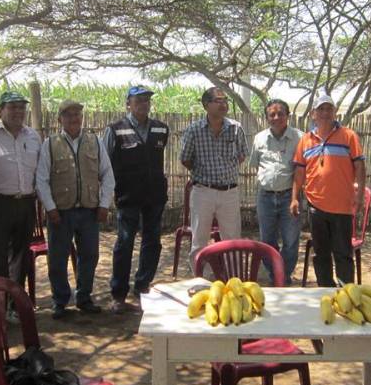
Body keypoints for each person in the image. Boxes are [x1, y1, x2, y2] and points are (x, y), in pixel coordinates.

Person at [36, 99, 115, 318]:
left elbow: (107, 175)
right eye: (69, 115)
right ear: (60, 119)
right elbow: (41, 179)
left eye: (77, 115)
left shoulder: (95, 142)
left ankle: (84, 297)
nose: (74, 119)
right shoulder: (50, 144)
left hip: (89, 210)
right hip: (60, 212)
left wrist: (103, 204)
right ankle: (60, 300)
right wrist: (50, 208)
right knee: (58, 258)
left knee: (89, 255)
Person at [103, 86, 169, 313]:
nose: (143, 104)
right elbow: (107, 165)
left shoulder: (161, 128)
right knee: (124, 244)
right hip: (128, 197)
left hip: (154, 196)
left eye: (147, 100)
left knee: (153, 243)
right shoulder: (115, 130)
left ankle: (142, 286)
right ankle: (118, 294)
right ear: (128, 104)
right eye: (138, 100)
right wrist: (109, 195)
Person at [290, 94, 366, 287]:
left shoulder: (349, 136)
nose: (325, 113)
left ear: (334, 112)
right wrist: (295, 198)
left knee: (342, 254)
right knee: (321, 254)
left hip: (342, 207)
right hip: (316, 207)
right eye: (321, 109)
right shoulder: (306, 140)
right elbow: (299, 172)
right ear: (313, 114)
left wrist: (359, 195)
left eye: (328, 109)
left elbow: (360, 167)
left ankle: (346, 293)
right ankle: (325, 291)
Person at [0, 91, 41, 302]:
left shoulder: (33, 136)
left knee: (21, 258)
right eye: (12, 107)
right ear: (0, 110)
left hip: (25, 204)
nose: (18, 112)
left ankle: (14, 304)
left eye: (21, 107)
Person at [180, 87, 248, 272]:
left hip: (229, 192)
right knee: (199, 240)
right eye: (218, 100)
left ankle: (234, 280)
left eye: (225, 100)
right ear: (206, 105)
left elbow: (242, 155)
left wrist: (225, 172)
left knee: (232, 239)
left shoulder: (236, 128)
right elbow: (185, 158)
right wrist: (206, 174)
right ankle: (200, 279)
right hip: (203, 191)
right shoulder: (193, 130)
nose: (223, 104)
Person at [249, 99, 303, 285]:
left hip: (290, 197)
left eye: (280, 113)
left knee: (290, 241)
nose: (276, 117)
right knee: (267, 240)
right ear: (266, 118)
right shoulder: (259, 138)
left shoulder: (299, 138)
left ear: (288, 116)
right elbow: (255, 165)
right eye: (272, 114)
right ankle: (275, 275)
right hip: (265, 197)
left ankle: (284, 277)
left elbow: (303, 170)